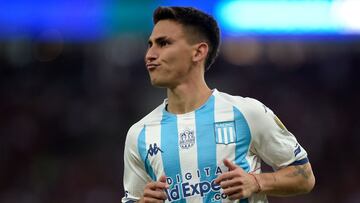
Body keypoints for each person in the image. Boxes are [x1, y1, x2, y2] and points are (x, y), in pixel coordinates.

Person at [122, 6, 315, 203]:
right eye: (150, 44)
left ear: (198, 52)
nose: (150, 55)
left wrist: (256, 181)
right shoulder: (139, 134)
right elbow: (132, 198)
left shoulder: (246, 113)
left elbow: (304, 176)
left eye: (163, 43)